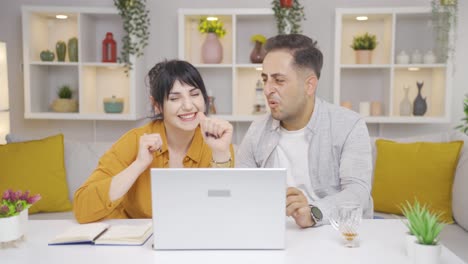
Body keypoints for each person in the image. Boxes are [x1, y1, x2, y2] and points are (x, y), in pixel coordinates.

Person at [236, 34, 373, 228]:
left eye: (279, 80)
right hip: (275, 233)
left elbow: (358, 193)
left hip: (333, 233)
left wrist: (313, 212)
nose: (267, 90)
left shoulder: (349, 125)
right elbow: (240, 188)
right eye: (265, 79)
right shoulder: (257, 130)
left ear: (309, 85)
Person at [74, 60, 234, 224]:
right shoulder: (135, 140)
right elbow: (82, 208)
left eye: (194, 94)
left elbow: (224, 213)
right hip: (135, 242)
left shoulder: (216, 141)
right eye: (174, 98)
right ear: (157, 105)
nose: (188, 105)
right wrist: (138, 164)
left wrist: (221, 154)